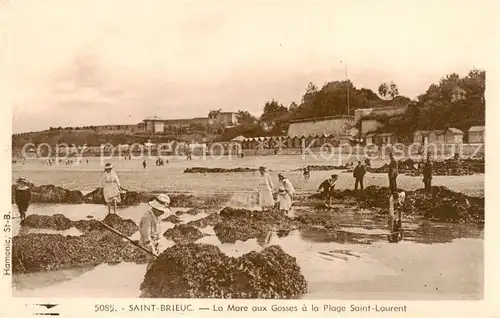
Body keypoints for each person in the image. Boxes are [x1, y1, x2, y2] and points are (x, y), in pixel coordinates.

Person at [140, 194, 171, 271]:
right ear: (156, 208)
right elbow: (146, 236)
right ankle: (148, 276)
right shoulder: (146, 218)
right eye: (161, 211)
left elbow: (158, 231)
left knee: (158, 261)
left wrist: (158, 243)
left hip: (156, 242)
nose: (163, 213)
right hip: (147, 244)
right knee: (152, 260)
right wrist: (152, 249)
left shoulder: (157, 216)